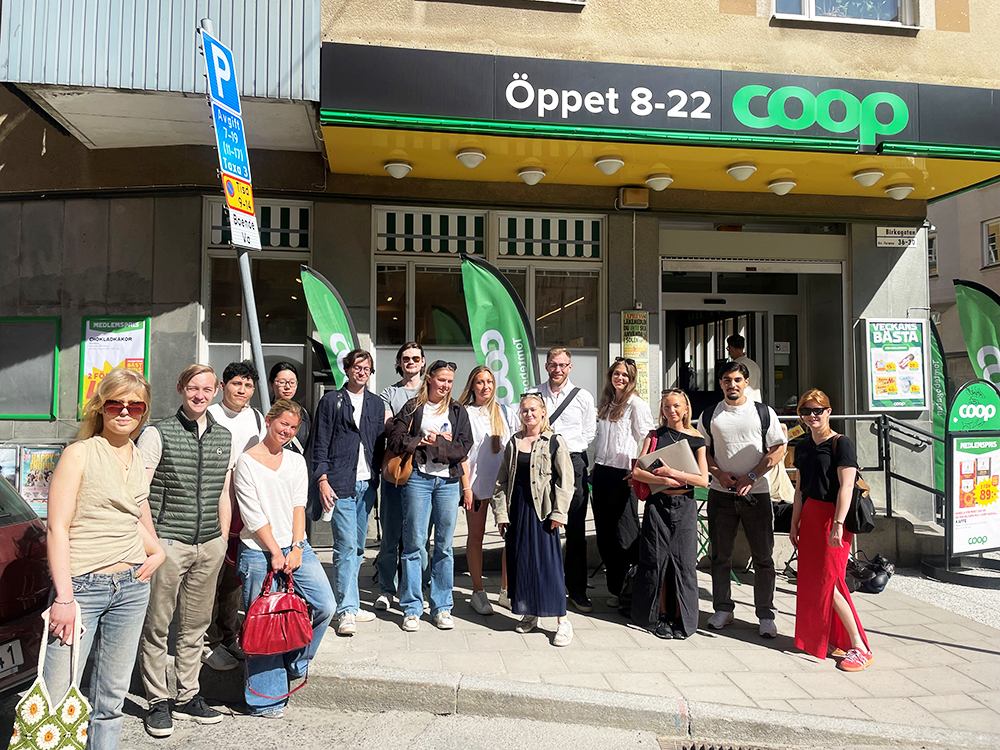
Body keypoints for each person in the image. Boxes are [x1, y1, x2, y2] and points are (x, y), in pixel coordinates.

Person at [44, 368, 165, 750]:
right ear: (101, 407)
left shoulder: (137, 454)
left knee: (111, 701)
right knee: (57, 697)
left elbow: (133, 515)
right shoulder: (79, 453)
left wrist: (157, 550)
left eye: (135, 405)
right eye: (116, 403)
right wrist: (65, 598)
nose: (125, 411)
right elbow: (57, 528)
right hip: (82, 587)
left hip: (131, 588)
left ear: (144, 412)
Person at [138, 364, 234, 737]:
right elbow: (139, 494)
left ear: (216, 391)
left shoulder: (223, 436)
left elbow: (224, 492)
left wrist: (221, 538)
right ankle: (157, 701)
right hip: (168, 543)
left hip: (208, 544)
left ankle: (187, 696)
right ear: (181, 388)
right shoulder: (157, 433)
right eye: (193, 387)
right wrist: (153, 544)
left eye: (207, 389)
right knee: (157, 625)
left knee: (195, 626)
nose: (199, 395)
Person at [235, 399, 336, 718]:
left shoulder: (295, 460)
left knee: (325, 604)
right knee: (263, 623)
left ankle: (296, 658)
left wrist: (296, 547)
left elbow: (298, 506)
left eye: (293, 427)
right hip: (258, 551)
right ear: (269, 421)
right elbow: (252, 514)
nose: (287, 431)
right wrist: (275, 552)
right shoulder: (246, 462)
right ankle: (266, 699)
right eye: (283, 424)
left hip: (295, 547)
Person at [698, 361, 787, 638]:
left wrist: (752, 476)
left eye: (737, 380)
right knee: (720, 556)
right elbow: (703, 452)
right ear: (721, 383)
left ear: (746, 382)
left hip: (756, 495)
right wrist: (718, 473)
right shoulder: (710, 415)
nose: (732, 385)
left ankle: (766, 615)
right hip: (720, 494)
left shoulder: (763, 412)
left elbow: (778, 449)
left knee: (763, 558)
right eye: (727, 380)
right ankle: (723, 608)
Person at [387, 360, 473, 631]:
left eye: (450, 381)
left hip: (447, 482)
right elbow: (395, 438)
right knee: (414, 544)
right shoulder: (413, 406)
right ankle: (412, 607)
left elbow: (464, 447)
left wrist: (439, 444)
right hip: (418, 479)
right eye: (441, 380)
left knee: (445, 546)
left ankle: (442, 606)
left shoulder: (457, 410)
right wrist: (418, 442)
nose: (446, 385)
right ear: (429, 379)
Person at [791, 389, 873, 672]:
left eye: (818, 410)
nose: (812, 416)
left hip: (833, 516)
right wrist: (795, 523)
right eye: (806, 411)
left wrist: (838, 524)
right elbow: (799, 489)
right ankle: (830, 638)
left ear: (828, 411)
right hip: (811, 514)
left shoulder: (841, 443)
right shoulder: (802, 446)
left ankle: (859, 646)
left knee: (830, 582)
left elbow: (847, 486)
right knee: (813, 581)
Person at [491, 393, 575, 646]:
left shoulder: (554, 441)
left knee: (548, 565)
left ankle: (562, 621)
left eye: (533, 410)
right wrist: (501, 514)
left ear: (542, 412)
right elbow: (502, 480)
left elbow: (565, 481)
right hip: (518, 509)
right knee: (522, 562)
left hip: (543, 511)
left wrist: (559, 513)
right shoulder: (514, 442)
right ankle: (530, 612)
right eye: (524, 410)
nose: (528, 414)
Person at [312, 350, 384, 636]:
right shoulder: (332, 401)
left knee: (358, 547)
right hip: (340, 483)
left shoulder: (376, 403)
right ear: (347, 369)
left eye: (366, 368)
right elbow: (320, 443)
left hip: (367, 484)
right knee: (344, 547)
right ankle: (346, 611)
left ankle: (350, 602)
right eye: (357, 367)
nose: (361, 372)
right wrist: (322, 479)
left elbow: (379, 443)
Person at [630, 389, 708, 639]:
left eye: (676, 406)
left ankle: (682, 618)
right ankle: (660, 616)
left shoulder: (697, 439)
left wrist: (673, 474)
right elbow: (637, 471)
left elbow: (703, 480)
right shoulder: (654, 436)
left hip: (685, 505)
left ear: (686, 409)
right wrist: (662, 479)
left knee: (684, 563)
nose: (671, 411)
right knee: (656, 561)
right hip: (658, 505)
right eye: (666, 406)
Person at [204, 360, 267, 670]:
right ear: (222, 386)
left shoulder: (256, 418)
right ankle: (208, 641)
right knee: (209, 575)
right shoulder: (209, 415)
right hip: (212, 501)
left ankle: (228, 635)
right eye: (236, 384)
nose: (242, 390)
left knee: (233, 576)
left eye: (248, 386)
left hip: (245, 504)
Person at [535, 347, 597, 613]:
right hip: (542, 462)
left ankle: (577, 589)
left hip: (573, 462)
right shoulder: (534, 393)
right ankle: (544, 585)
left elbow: (589, 432)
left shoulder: (583, 396)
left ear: (570, 367)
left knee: (575, 528)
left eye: (562, 365)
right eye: (553, 364)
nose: (557, 369)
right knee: (542, 523)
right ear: (546, 366)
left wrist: (565, 449)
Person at [592, 357, 655, 607]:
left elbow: (649, 437)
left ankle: (633, 588)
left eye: (625, 375)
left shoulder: (636, 404)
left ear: (632, 379)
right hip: (602, 471)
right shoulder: (606, 402)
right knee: (604, 533)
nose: (620, 378)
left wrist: (639, 467)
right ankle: (615, 588)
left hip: (624, 473)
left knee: (625, 532)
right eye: (616, 373)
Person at [458, 365, 518, 615]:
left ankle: (506, 590)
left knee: (509, 536)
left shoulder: (505, 412)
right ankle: (478, 591)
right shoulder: (464, 412)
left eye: (489, 382)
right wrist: (466, 487)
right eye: (480, 382)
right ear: (472, 385)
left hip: (504, 486)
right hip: (476, 484)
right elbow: (462, 454)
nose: (486, 387)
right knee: (476, 536)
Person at [375, 342, 427, 610]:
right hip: (396, 467)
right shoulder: (389, 393)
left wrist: (404, 428)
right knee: (391, 532)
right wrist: (419, 435)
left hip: (426, 470)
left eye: (416, 358)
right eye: (406, 358)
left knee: (419, 536)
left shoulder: (431, 390)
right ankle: (387, 588)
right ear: (399, 362)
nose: (411, 362)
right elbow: (389, 428)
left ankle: (418, 587)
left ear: (423, 361)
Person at [269, 362, 312, 456]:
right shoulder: (265, 412)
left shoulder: (303, 413)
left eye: (292, 383)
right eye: (282, 382)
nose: (287, 387)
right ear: (271, 384)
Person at [726, 334, 762, 403]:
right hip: (756, 403)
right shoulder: (754, 365)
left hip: (741, 403)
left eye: (728, 349)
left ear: (731, 348)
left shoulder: (735, 365)